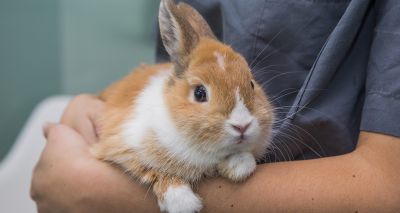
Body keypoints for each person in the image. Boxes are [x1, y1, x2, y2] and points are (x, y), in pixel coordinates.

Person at [31, 0, 400, 211]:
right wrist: (89, 106)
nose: (241, 123)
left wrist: (101, 191)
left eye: (252, 87)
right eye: (202, 96)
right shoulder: (165, 119)